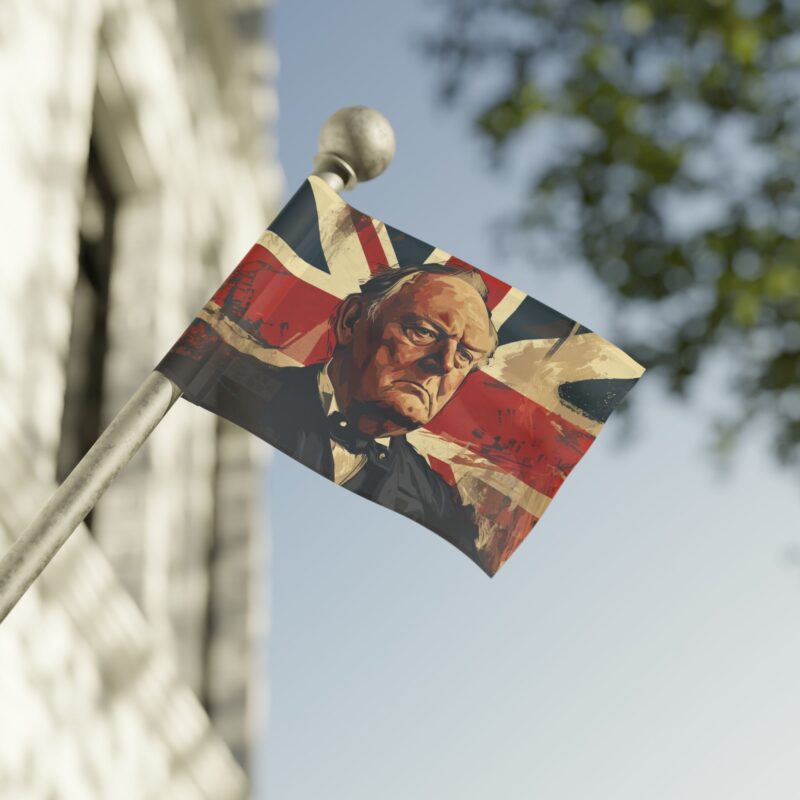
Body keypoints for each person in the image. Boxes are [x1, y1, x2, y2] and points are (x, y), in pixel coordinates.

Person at [203, 263, 498, 558]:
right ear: (351, 320)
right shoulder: (219, 383)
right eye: (423, 331)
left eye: (464, 355)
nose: (445, 363)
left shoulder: (439, 507)